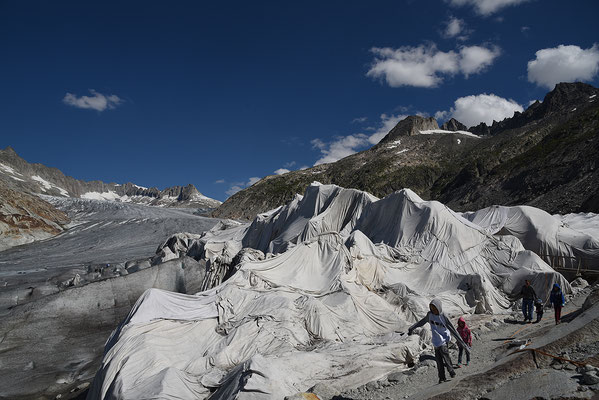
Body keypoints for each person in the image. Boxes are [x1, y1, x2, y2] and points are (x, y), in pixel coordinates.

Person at [408, 299, 470, 384]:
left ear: (439, 307)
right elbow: (422, 322)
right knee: (439, 360)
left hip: (444, 339)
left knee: (445, 354)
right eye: (432, 308)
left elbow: (453, 331)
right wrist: (412, 327)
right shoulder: (430, 315)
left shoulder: (443, 316)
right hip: (436, 341)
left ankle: (451, 371)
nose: (434, 310)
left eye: (435, 308)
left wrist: (465, 346)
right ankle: (442, 377)